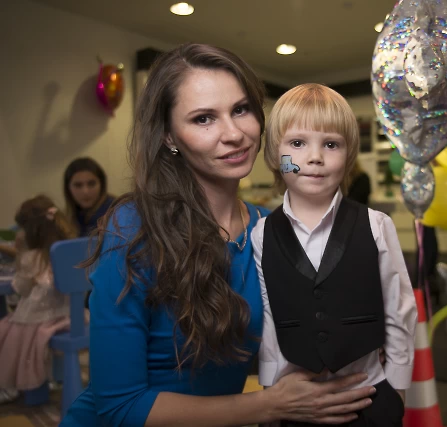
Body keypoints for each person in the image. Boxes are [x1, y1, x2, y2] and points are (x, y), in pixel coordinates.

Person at [61, 44, 376, 427]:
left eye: (241, 109)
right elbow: (120, 407)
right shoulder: (133, 228)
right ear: (169, 137)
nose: (234, 134)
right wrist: (269, 406)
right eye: (203, 118)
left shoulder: (272, 228)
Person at [252, 83, 417, 427]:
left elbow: (399, 309)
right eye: (297, 144)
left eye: (331, 144)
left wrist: (397, 390)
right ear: (275, 156)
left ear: (348, 155)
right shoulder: (262, 233)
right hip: (296, 404)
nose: (315, 157)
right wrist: (270, 391)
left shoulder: (376, 225)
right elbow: (270, 318)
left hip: (369, 395)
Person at [0, 195, 76, 403]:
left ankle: (10, 384)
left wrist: (20, 256)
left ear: (30, 231)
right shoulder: (66, 251)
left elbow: (20, 289)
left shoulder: (31, 257)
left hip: (37, 318)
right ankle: (51, 377)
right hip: (70, 316)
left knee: (5, 330)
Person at [63, 157, 115, 237]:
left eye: (91, 184)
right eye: (78, 185)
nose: (85, 191)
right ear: (68, 188)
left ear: (102, 184)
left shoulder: (116, 210)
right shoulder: (65, 218)